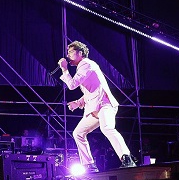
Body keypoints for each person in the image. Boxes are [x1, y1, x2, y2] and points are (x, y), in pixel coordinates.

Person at [57, 40, 136, 172]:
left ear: (80, 53)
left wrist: (64, 69)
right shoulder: (82, 67)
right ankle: (89, 165)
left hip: (105, 105)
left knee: (107, 128)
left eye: (71, 52)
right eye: (68, 52)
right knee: (78, 133)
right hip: (95, 109)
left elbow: (71, 85)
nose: (68, 55)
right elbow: (92, 90)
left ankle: (127, 158)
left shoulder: (87, 64)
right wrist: (78, 102)